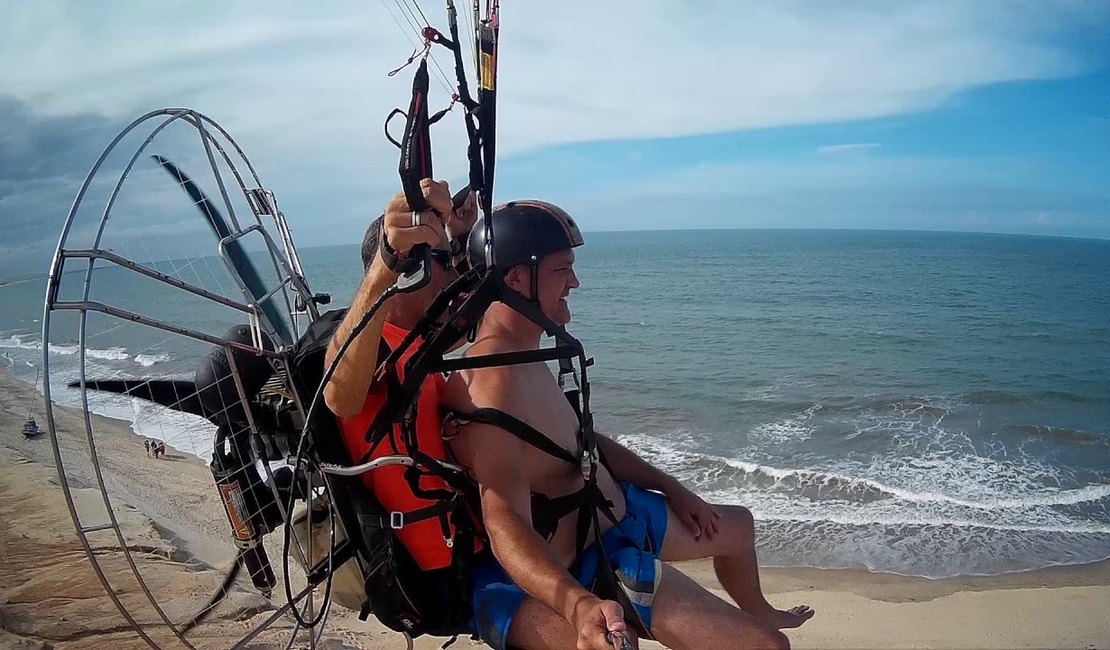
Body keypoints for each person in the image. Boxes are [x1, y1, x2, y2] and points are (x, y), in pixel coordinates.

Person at [443, 201, 814, 650]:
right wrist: (577, 604)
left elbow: (577, 440)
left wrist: (671, 486)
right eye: (563, 270)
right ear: (517, 279)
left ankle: (759, 608)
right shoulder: (491, 379)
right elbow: (503, 519)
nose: (575, 283)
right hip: (581, 561)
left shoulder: (526, 352)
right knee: (767, 647)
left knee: (737, 528)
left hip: (613, 515)